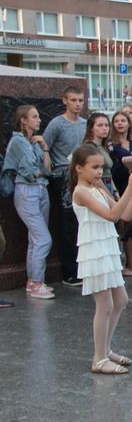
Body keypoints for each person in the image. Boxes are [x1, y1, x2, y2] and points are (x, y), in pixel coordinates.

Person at [68, 145, 132, 374]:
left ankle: (106, 349)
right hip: (94, 249)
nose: (100, 172)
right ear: (79, 168)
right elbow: (111, 215)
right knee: (106, 303)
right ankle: (98, 358)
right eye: (94, 167)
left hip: (107, 247)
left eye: (101, 167)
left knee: (120, 300)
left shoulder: (98, 187)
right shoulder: (81, 191)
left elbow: (125, 214)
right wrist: (130, 188)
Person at [6, 105, 54, 299]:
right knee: (43, 238)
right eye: (34, 116)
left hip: (41, 190)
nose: (39, 119)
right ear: (23, 120)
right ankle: (36, 282)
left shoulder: (34, 142)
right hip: (27, 191)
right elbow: (30, 172)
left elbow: (47, 169)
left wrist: (45, 147)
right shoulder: (17, 141)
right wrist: (41, 172)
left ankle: (33, 281)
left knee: (36, 238)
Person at [44, 86, 87, 287]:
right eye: (73, 100)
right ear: (65, 101)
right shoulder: (56, 124)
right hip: (62, 177)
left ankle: (83, 267)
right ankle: (69, 271)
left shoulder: (85, 124)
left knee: (81, 224)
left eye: (80, 100)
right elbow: (45, 147)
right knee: (66, 224)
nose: (77, 104)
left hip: (83, 177)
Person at [109, 111, 132, 276]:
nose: (120, 124)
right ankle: (121, 264)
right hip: (121, 186)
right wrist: (125, 163)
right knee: (121, 224)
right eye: (116, 121)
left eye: (123, 120)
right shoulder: (111, 145)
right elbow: (113, 169)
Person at [82, 112, 116, 196]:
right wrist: (108, 195)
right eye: (100, 125)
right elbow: (94, 175)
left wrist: (114, 190)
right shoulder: (90, 147)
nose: (104, 128)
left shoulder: (104, 146)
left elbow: (108, 172)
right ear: (91, 128)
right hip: (98, 187)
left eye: (106, 125)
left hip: (108, 184)